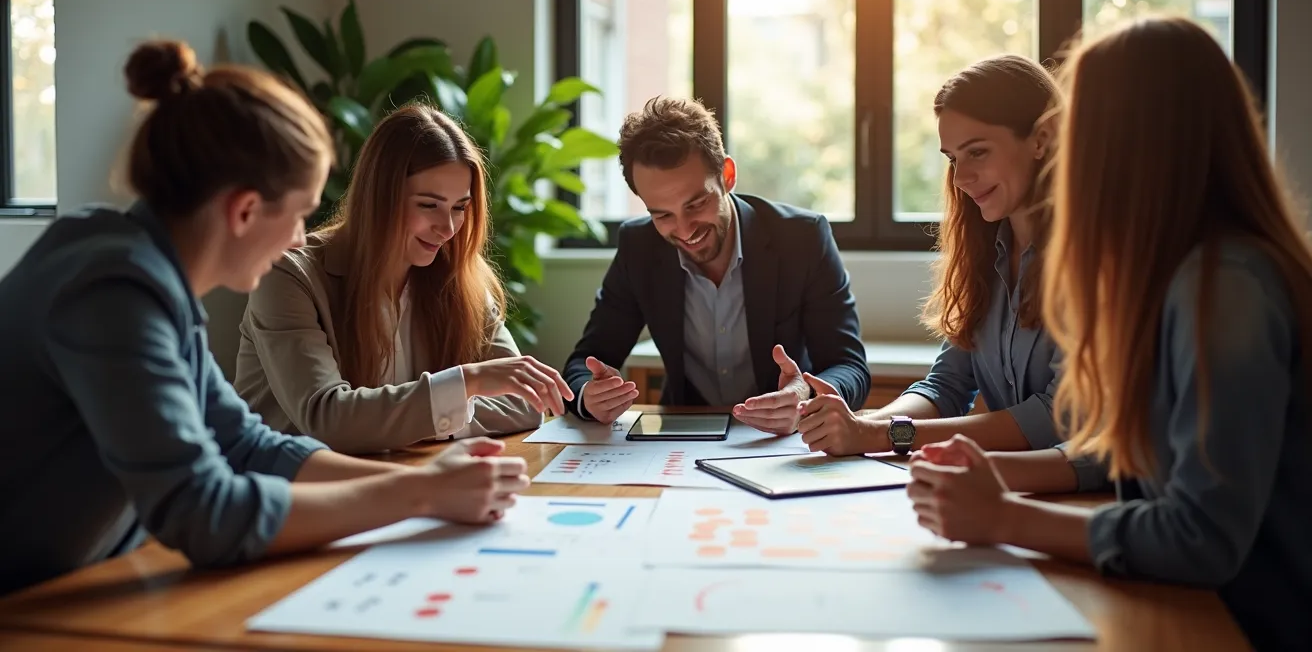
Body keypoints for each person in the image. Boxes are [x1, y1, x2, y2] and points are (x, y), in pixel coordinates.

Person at [0, 41, 529, 595]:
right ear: (245, 211)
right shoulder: (112, 290)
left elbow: (248, 444)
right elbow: (202, 512)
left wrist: (427, 481)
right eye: (301, 213)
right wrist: (419, 496)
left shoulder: (143, 274)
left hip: (71, 584)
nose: (302, 237)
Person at [907, 16, 1312, 651]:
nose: (1065, 157)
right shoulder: (1172, 272)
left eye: (1075, 132)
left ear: (1139, 140)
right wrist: (988, 481)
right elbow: (1114, 459)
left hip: (1246, 627)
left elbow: (1201, 536)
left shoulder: (1225, 286)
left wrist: (1000, 514)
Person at [235, 103, 569, 455]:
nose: (449, 228)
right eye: (429, 205)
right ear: (380, 198)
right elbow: (328, 418)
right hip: (291, 495)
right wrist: (467, 385)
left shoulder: (460, 276)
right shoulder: (289, 276)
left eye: (459, 207)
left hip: (398, 478)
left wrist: (410, 418)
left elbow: (523, 403)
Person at [797, 55, 1066, 457]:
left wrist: (876, 436)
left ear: (1040, 140)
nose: (960, 178)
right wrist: (853, 424)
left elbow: (1055, 417)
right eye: (953, 158)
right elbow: (946, 386)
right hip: (1003, 489)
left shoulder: (1092, 261)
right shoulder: (984, 253)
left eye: (977, 152)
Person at [562, 96, 870, 433]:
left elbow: (849, 367)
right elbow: (584, 362)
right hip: (682, 436)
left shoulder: (802, 238)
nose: (684, 230)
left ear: (727, 175)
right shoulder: (639, 246)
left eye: (696, 204)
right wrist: (588, 396)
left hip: (781, 441)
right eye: (662, 214)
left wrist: (804, 395)